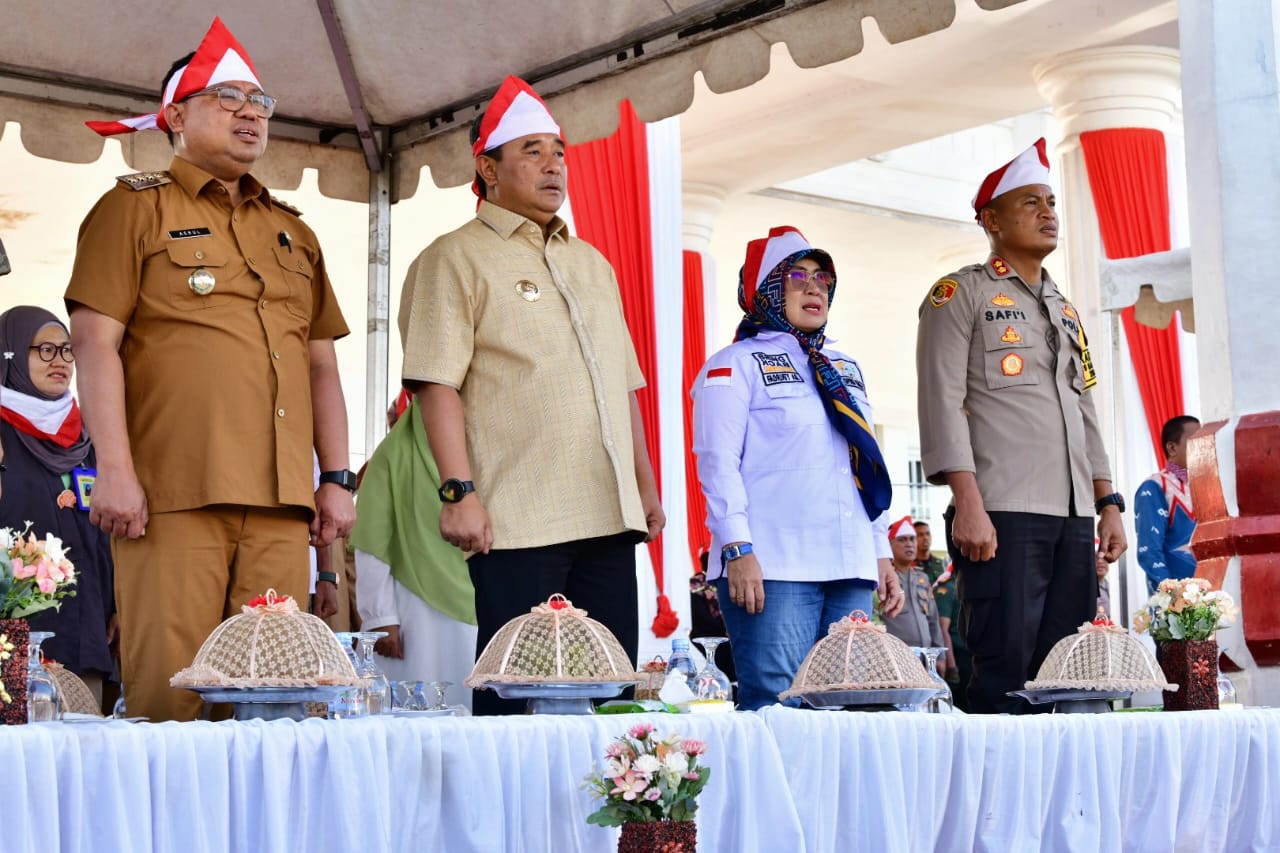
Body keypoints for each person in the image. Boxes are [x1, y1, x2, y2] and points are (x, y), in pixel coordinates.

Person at [67, 18, 355, 722]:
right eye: (227, 98)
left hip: (283, 505)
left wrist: (338, 478)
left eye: (260, 102)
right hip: (172, 496)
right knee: (174, 701)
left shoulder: (295, 230)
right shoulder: (130, 209)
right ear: (174, 116)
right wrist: (115, 469)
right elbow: (93, 344)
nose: (251, 112)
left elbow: (322, 363)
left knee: (278, 706)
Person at [398, 75, 664, 715]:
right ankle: (509, 819)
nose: (553, 165)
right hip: (518, 520)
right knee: (517, 700)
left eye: (558, 150)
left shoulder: (592, 264)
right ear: (486, 168)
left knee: (609, 698)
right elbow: (436, 382)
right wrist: (458, 493)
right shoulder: (454, 257)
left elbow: (621, 383)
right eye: (531, 151)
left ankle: (608, 815)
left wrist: (646, 489)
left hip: (607, 513)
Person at [915, 139, 1126, 714]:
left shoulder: (1064, 306)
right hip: (1001, 507)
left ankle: (1060, 802)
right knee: (1004, 669)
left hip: (1073, 513)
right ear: (991, 220)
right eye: (1030, 201)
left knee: (1071, 671)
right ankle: (993, 803)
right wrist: (967, 501)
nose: (1048, 211)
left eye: (1051, 201)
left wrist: (1108, 501)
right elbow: (942, 401)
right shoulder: (960, 294)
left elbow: (1082, 408)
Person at [692, 226, 904, 711]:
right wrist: (737, 549)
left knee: (849, 705)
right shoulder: (733, 364)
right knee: (777, 705)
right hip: (775, 564)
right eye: (796, 276)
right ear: (766, 289)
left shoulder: (845, 366)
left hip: (848, 565)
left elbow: (863, 463)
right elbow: (717, 464)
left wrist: (880, 550)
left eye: (822, 277)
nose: (814, 287)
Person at [0, 307, 116, 706]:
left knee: (86, 750)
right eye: (44, 350)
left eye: (67, 352)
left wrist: (117, 604)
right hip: (13, 641)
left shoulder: (89, 435)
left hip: (88, 626)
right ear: (10, 354)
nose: (60, 362)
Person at [351, 395, 478, 711]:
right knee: (419, 714)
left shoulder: (483, 445)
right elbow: (371, 538)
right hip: (412, 609)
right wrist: (380, 616)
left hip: (483, 597)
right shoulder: (394, 454)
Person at [1134, 415, 1200, 595]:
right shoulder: (1155, 487)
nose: (1201, 446)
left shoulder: (1204, 487)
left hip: (1208, 599)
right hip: (1174, 605)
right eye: (1195, 440)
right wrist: (1172, 596)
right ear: (1172, 447)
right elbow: (1149, 550)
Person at [881, 517, 945, 656]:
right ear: (889, 545)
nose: (909, 544)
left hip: (925, 656)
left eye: (912, 539)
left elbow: (933, 618)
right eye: (902, 539)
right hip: (895, 656)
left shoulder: (922, 578)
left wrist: (940, 655)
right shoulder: (883, 577)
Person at [913, 519, 947, 584]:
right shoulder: (909, 565)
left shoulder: (942, 564)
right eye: (920, 535)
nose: (925, 538)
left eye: (928, 534)